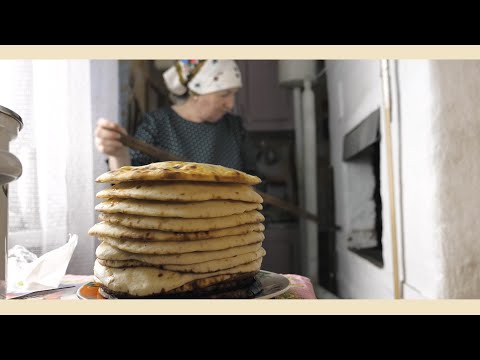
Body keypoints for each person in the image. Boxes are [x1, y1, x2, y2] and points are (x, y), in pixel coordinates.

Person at [95, 59, 248, 171]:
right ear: (196, 92)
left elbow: (253, 180)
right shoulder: (157, 124)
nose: (231, 104)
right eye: (224, 94)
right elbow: (127, 179)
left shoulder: (234, 126)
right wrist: (118, 153)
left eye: (234, 94)